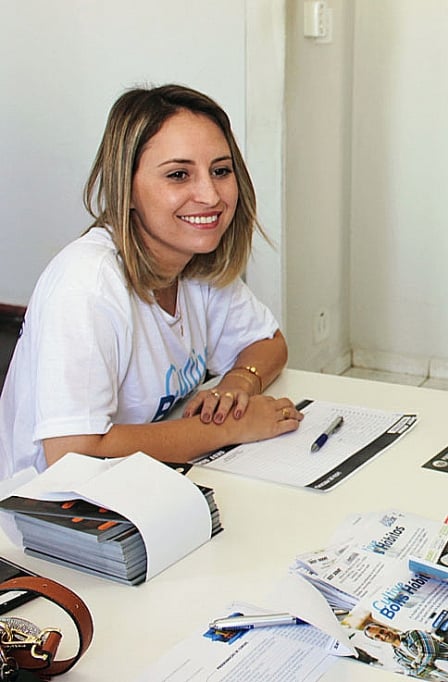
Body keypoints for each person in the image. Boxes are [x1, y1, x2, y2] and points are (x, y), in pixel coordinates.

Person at [0, 84, 304, 479]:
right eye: (179, 175)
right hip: (49, 516)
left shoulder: (193, 262)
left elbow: (267, 343)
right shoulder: (86, 284)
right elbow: (73, 454)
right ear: (125, 189)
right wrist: (229, 427)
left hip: (145, 482)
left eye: (220, 171)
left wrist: (237, 386)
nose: (210, 195)